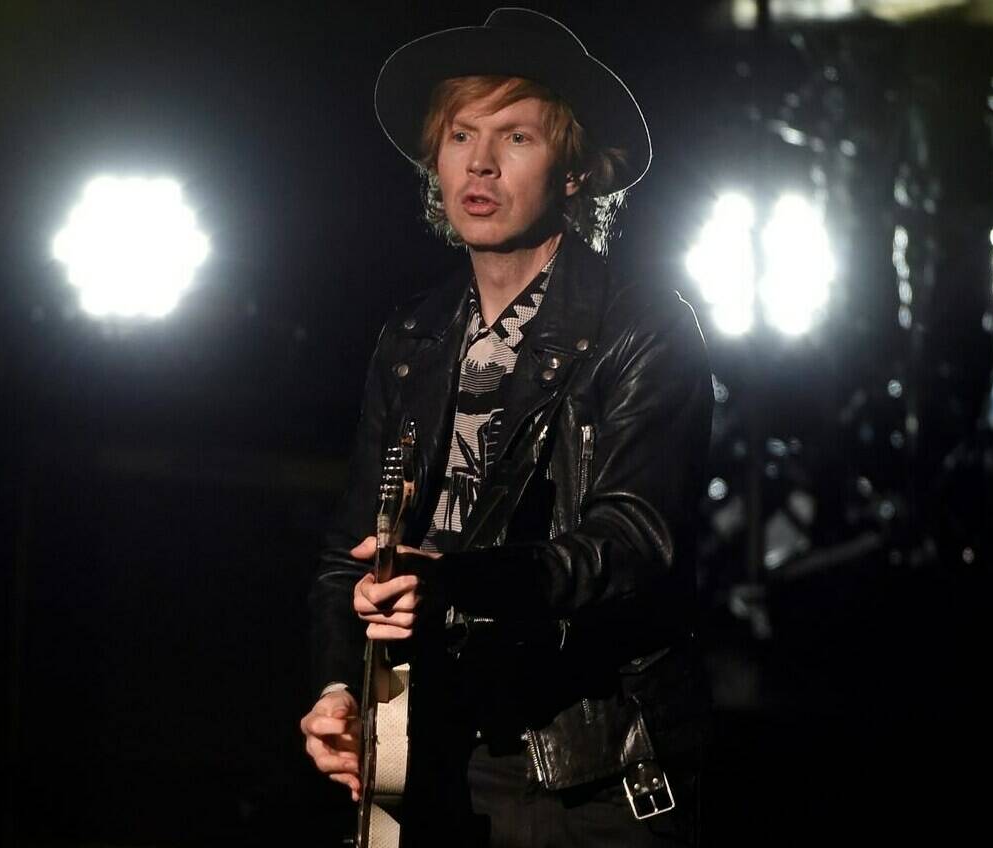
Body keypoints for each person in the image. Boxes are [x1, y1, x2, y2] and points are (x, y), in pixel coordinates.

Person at [300, 8, 713, 846]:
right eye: (459, 134)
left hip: (583, 766)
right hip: (430, 750)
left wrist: (457, 580)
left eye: (517, 137)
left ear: (573, 171)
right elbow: (352, 547)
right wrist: (339, 690)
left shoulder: (643, 327)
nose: (479, 163)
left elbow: (631, 541)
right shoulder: (414, 337)